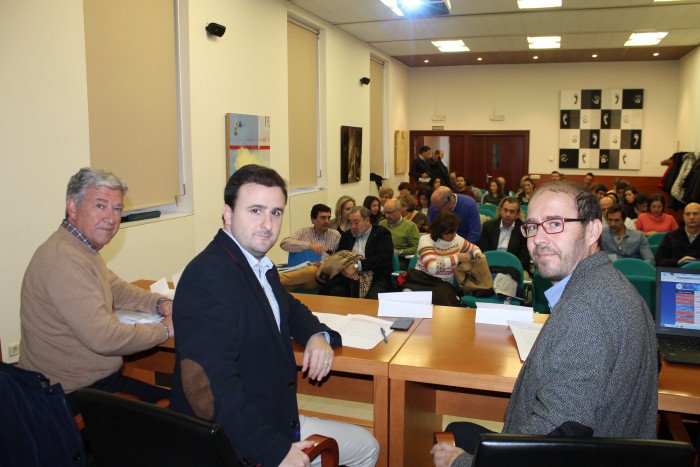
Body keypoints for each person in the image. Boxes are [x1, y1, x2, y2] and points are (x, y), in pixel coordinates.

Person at [432, 181, 658, 467]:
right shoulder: (615, 286)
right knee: (461, 430)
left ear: (592, 230)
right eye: (533, 226)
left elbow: (557, 433)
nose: (537, 238)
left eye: (555, 224)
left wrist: (463, 463)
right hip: (605, 448)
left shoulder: (585, 309)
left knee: (452, 441)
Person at [170, 165, 379, 467]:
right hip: (237, 439)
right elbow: (211, 387)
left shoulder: (255, 264)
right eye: (255, 210)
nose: (267, 224)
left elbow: (288, 306)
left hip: (271, 413)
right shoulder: (210, 277)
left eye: (276, 212)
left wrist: (316, 335)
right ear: (227, 214)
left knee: (366, 444)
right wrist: (274, 451)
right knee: (366, 449)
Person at [19, 168, 173, 414]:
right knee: (182, 411)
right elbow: (104, 337)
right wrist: (165, 329)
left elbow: (118, 290)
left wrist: (160, 304)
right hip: (68, 397)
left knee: (179, 398)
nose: (112, 219)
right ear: (72, 207)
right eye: (100, 206)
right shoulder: (64, 260)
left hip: (91, 383)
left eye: (117, 209)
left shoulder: (79, 248)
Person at [406, 212, 482, 306]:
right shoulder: (425, 240)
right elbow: (432, 268)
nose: (453, 235)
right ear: (439, 231)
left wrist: (477, 254)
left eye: (455, 231)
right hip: (422, 279)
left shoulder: (456, 239)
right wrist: (456, 258)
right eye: (449, 233)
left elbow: (473, 248)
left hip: (444, 283)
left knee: (445, 302)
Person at [319, 206, 394, 300]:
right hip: (349, 277)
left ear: (367, 220)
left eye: (356, 222)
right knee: (335, 292)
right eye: (351, 223)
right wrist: (345, 269)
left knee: (370, 301)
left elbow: (382, 258)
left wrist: (357, 266)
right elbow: (339, 256)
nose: (353, 226)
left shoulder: (381, 233)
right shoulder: (347, 235)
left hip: (376, 277)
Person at [279, 204, 341, 292]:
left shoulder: (335, 235)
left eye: (328, 218)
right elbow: (284, 244)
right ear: (313, 220)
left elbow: (337, 260)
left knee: (312, 270)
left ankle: (275, 278)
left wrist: (321, 264)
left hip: (319, 277)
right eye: (323, 218)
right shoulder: (303, 232)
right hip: (299, 274)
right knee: (280, 289)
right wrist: (309, 246)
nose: (327, 221)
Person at [477, 197, 530, 272]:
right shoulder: (488, 226)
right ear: (501, 211)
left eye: (512, 212)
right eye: (505, 210)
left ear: (517, 214)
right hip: (490, 266)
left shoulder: (523, 230)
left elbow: (524, 259)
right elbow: (483, 251)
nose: (508, 214)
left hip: (513, 268)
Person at [379, 199, 420, 270]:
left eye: (390, 212)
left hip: (400, 259)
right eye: (385, 212)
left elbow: (416, 248)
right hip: (382, 256)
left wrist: (400, 252)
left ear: (399, 211)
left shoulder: (410, 226)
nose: (387, 216)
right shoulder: (382, 224)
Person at [655, 202, 700, 267]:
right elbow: (659, 260)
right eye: (688, 214)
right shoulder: (671, 236)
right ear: (684, 217)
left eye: (695, 214)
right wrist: (678, 261)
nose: (691, 217)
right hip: (676, 274)